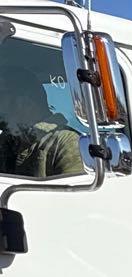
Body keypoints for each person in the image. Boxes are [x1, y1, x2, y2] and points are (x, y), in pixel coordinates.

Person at [0, 48, 85, 179]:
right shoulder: (8, 141)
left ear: (24, 102)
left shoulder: (66, 142)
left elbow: (74, 196)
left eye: (2, 96)